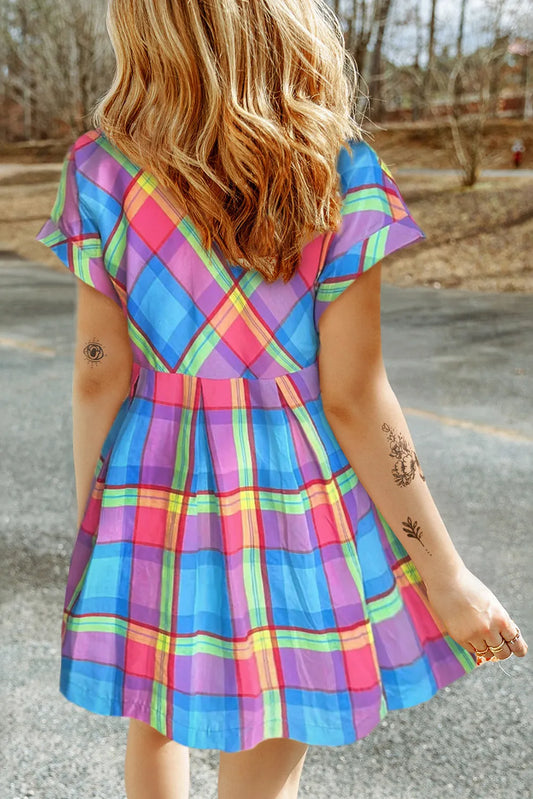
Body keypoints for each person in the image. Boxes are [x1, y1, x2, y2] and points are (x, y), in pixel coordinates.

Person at [34, 1, 528, 798]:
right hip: (293, 495)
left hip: (150, 478)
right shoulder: (338, 169)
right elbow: (354, 395)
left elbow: (99, 368)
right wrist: (445, 574)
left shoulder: (101, 170)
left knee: (154, 709)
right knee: (276, 708)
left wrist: (99, 510)